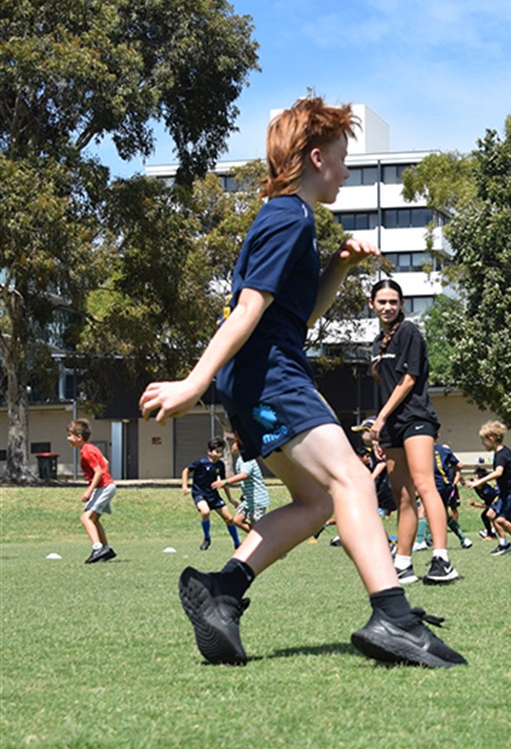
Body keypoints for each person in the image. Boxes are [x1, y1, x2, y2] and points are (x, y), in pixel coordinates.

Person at [140, 96, 465, 667]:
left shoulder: (292, 220)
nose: (344, 169)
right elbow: (247, 309)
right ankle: (393, 617)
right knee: (354, 483)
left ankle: (222, 592)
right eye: (342, 158)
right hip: (272, 376)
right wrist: (193, 383)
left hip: (262, 377)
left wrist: (338, 263)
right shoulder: (288, 216)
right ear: (316, 157)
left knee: (316, 502)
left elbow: (296, 315)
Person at [367, 278, 459, 585]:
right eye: (382, 302)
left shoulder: (409, 332)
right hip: (391, 425)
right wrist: (380, 427)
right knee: (401, 495)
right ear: (372, 305)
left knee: (423, 484)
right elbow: (384, 388)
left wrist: (378, 419)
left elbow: (407, 381)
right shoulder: (376, 344)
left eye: (393, 301)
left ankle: (442, 559)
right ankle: (403, 564)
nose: (388, 307)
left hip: (416, 418)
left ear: (402, 304)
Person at [468, 420, 511, 555]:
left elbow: (498, 472)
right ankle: (503, 544)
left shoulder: (501, 455)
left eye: (483, 440)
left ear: (491, 438)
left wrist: (478, 482)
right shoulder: (505, 451)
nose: (482, 444)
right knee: (490, 514)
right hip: (504, 493)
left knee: (501, 520)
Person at [65, 419, 117, 564]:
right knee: (94, 519)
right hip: (106, 486)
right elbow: (105, 462)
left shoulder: (87, 452)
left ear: (79, 437)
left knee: (85, 518)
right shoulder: (91, 448)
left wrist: (89, 491)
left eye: (70, 435)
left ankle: (98, 548)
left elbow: (99, 472)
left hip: (104, 487)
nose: (68, 439)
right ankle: (106, 549)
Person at [182, 436, 242, 551]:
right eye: (217, 452)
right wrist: (185, 486)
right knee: (205, 511)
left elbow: (224, 483)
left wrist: (230, 499)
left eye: (221, 452)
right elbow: (186, 470)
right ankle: (207, 538)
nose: (219, 454)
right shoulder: (201, 463)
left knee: (229, 519)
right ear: (209, 451)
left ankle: (237, 543)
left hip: (213, 495)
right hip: (199, 493)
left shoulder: (220, 465)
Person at [434, 442, 473, 550]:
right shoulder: (444, 451)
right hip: (447, 485)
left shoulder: (425, 449)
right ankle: (463, 538)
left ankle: (420, 541)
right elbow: (460, 465)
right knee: (444, 514)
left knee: (423, 511)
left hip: (436, 485)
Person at [227, 436, 270, 532]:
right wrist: (245, 494)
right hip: (248, 499)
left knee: (256, 525)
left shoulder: (247, 459)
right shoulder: (240, 460)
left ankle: (263, 541)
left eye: (234, 443)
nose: (232, 446)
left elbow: (244, 475)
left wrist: (225, 482)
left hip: (257, 500)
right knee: (237, 520)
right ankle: (256, 539)